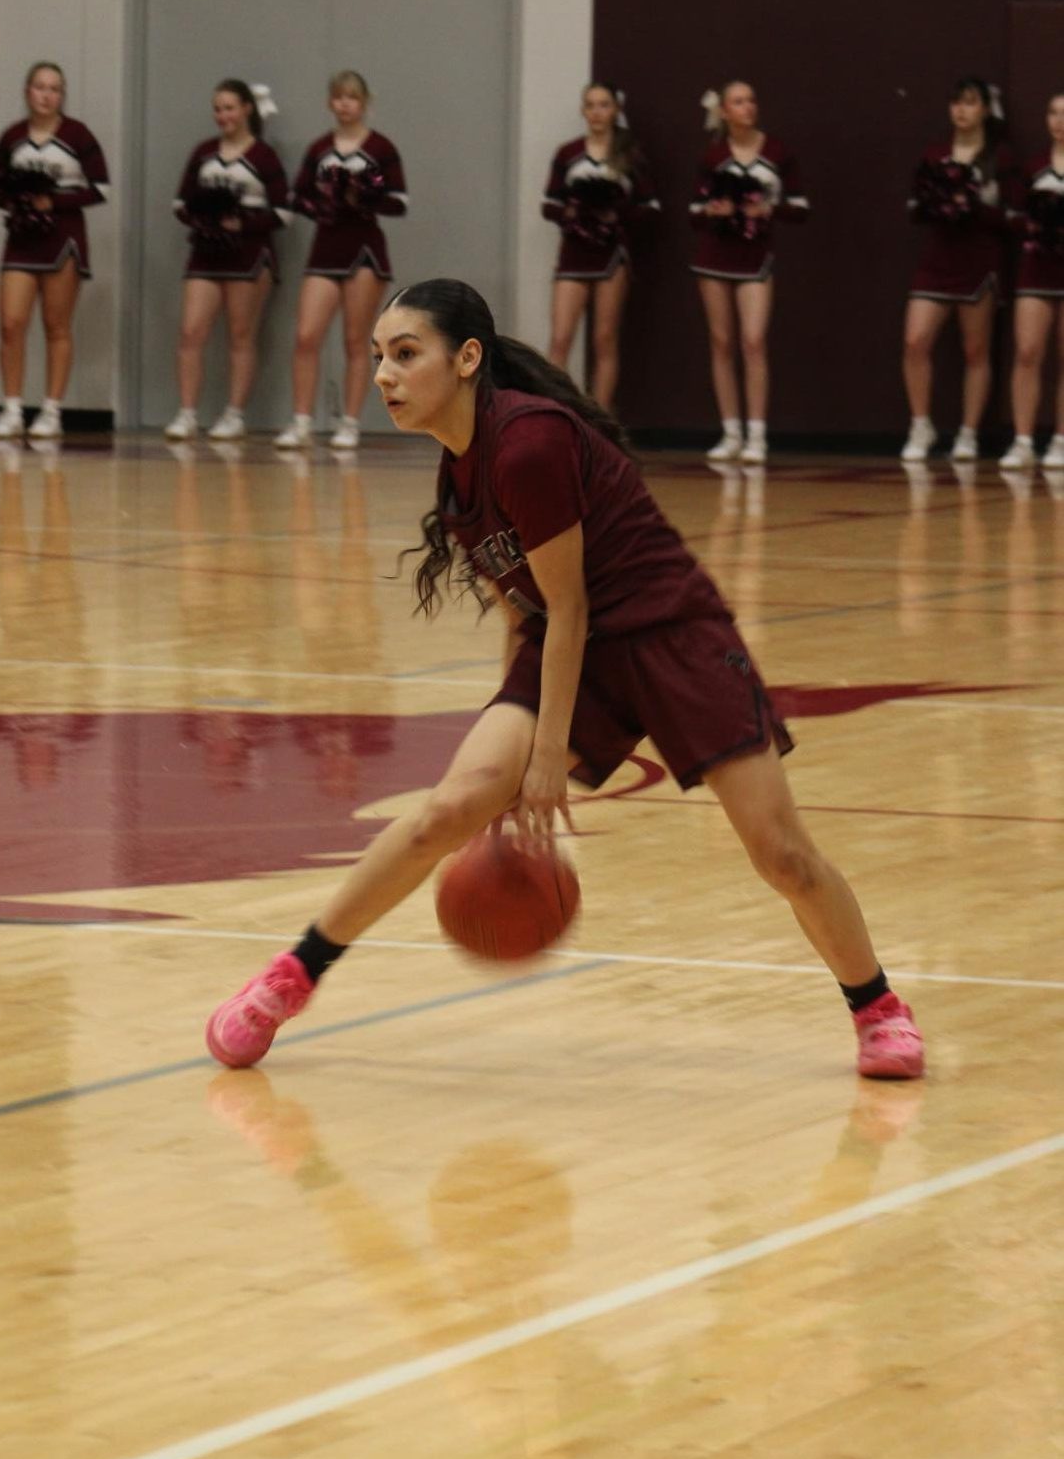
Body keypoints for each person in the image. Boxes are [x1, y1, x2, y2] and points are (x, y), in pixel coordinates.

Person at [204, 277, 925, 1084]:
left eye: (406, 354)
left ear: (467, 358)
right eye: (378, 357)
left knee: (782, 853)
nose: (384, 375)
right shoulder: (458, 476)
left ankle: (878, 1008)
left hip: (670, 635)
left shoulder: (529, 442)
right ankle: (285, 982)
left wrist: (547, 755)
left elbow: (573, 605)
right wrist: (506, 751)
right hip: (564, 643)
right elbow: (528, 615)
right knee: (449, 808)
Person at [274, 71, 408, 451]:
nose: (345, 104)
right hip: (326, 246)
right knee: (306, 337)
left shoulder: (381, 148)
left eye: (352, 98)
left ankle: (349, 423)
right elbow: (296, 196)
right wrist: (323, 203)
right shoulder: (319, 149)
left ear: (364, 102)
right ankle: (301, 421)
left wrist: (363, 198)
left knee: (355, 340)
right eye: (338, 98)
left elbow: (399, 201)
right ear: (330, 103)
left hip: (364, 248)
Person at [689, 81, 809, 469]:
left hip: (756, 258)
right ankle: (731, 432)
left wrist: (768, 210)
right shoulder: (713, 155)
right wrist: (713, 211)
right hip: (714, 256)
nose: (748, 107)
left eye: (752, 100)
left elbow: (801, 207)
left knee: (753, 341)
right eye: (739, 101)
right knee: (721, 342)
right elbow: (693, 211)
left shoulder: (776, 152)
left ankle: (757, 433)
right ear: (724, 111)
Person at [0, 62, 109, 442]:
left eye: (55, 88)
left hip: (63, 238)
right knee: (11, 324)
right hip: (22, 239)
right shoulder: (11, 137)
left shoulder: (78, 135)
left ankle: (51, 410)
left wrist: (52, 200)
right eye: (40, 87)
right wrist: (19, 200)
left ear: (62, 95)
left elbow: (101, 188)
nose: (47, 94)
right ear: (27, 92)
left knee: (56, 326)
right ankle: (11, 408)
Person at [900, 78, 1019, 466]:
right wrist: (935, 204)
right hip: (937, 258)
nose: (961, 110)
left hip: (979, 260)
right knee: (915, 341)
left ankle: (968, 433)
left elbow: (1015, 219)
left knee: (975, 350)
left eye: (970, 103)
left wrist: (976, 206)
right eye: (956, 103)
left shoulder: (999, 157)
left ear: (985, 109)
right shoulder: (936, 153)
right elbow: (915, 206)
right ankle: (921, 425)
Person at [162, 80, 289, 443]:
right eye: (217, 109)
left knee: (241, 335)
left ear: (247, 109)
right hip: (206, 252)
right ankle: (187, 413)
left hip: (249, 254)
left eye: (230, 108)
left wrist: (242, 222)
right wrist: (204, 218)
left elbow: (283, 212)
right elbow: (179, 204)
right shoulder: (203, 152)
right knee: (190, 332)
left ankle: (234, 414)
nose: (223, 116)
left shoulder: (264, 156)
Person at [543, 82, 660, 412]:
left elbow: (650, 207)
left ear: (616, 110)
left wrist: (615, 214)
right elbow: (548, 205)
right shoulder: (568, 154)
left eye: (604, 105)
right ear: (583, 110)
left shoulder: (629, 156)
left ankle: (600, 420)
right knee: (560, 339)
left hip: (612, 256)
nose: (597, 112)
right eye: (591, 105)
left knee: (604, 340)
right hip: (573, 254)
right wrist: (573, 212)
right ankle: (555, 415)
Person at [999, 93, 1064, 471]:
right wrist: (1037, 224)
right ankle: (1023, 440)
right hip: (1036, 268)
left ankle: (1060, 439)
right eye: (1053, 112)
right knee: (1027, 352)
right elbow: (1012, 216)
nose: (1059, 121)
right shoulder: (1034, 167)